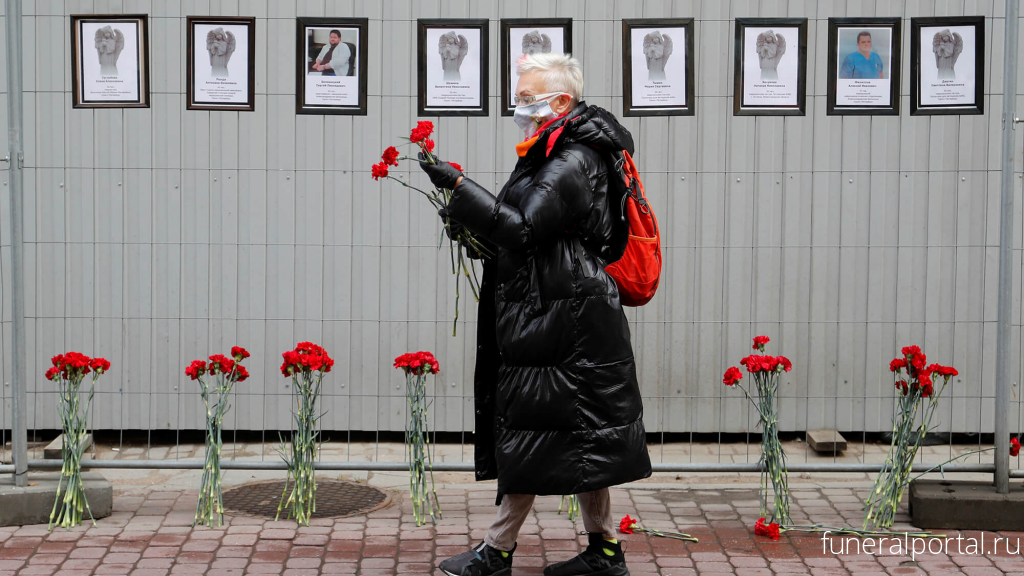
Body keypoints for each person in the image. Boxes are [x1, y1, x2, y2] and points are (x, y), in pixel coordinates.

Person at [419, 52, 652, 576]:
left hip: (562, 315)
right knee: (578, 430)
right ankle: (605, 552)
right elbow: (522, 233)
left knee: (533, 426)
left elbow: (523, 228)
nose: (519, 106)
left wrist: (459, 189)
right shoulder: (552, 151)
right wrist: (469, 226)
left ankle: (496, 552)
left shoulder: (572, 159)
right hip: (558, 306)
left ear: (561, 102)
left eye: (528, 98)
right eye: (520, 96)